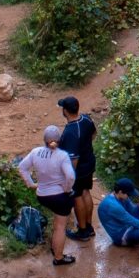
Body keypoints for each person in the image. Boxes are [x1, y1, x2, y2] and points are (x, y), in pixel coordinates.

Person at [17, 127, 82, 267]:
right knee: (60, 227)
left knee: (57, 222)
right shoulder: (62, 156)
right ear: (59, 141)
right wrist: (67, 189)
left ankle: (55, 247)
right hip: (59, 197)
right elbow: (70, 176)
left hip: (42, 195)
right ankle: (58, 257)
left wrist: (31, 184)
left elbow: (22, 167)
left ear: (45, 141)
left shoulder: (35, 152)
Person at [57, 95, 100, 238]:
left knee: (77, 196)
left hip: (78, 169)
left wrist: (69, 177)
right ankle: (89, 226)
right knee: (86, 192)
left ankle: (82, 231)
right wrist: (85, 145)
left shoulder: (70, 132)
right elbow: (94, 134)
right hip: (89, 162)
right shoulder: (86, 119)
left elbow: (73, 159)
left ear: (66, 111)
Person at [96, 177, 139, 260]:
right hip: (122, 236)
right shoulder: (114, 206)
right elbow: (133, 222)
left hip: (127, 224)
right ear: (121, 192)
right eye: (128, 194)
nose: (129, 196)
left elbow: (132, 211)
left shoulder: (121, 196)